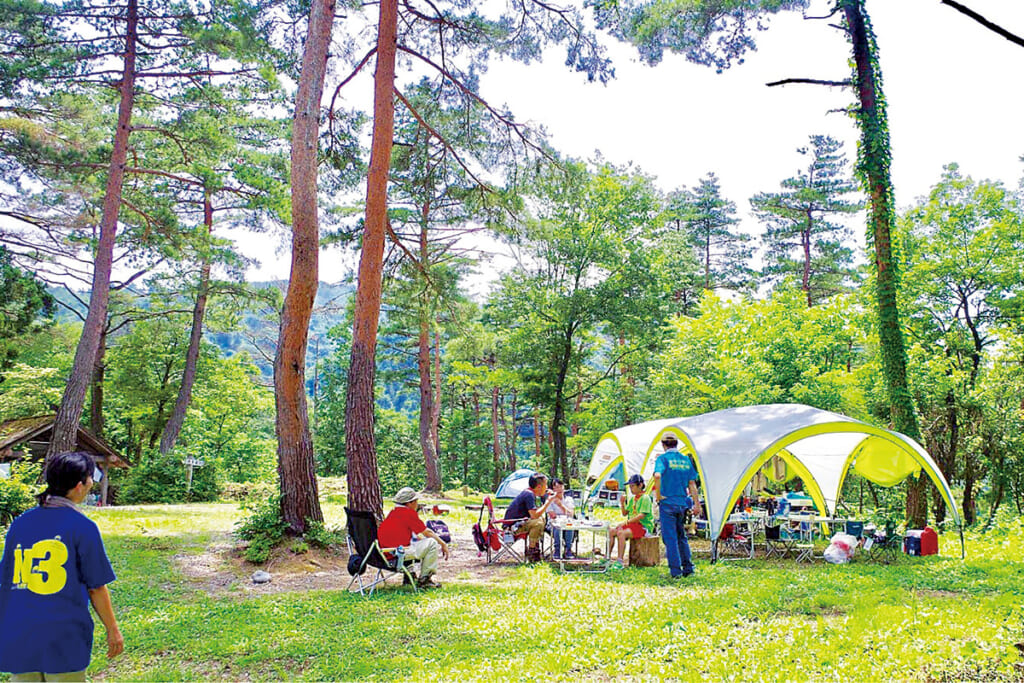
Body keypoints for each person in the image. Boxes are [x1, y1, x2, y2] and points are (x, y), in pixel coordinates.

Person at [0, 451, 124, 681]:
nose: (91, 484)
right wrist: (112, 629)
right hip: (62, 636)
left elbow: (7, 579)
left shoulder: (20, 524)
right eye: (90, 478)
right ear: (79, 485)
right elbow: (96, 587)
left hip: (19, 632)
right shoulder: (82, 527)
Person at [650, 434, 702, 579]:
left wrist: (659, 496)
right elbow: (692, 484)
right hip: (682, 503)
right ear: (676, 444)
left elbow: (657, 476)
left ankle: (675, 571)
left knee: (670, 537)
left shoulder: (662, 459)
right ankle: (688, 568)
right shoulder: (685, 459)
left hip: (667, 504)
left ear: (663, 445)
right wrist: (697, 504)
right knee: (681, 536)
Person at [377, 487, 450, 589]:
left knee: (417, 543)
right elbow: (427, 532)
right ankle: (425, 580)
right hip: (397, 554)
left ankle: (409, 576)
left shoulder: (393, 513)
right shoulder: (408, 513)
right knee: (432, 543)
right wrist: (443, 544)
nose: (417, 504)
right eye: (416, 501)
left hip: (384, 553)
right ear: (409, 503)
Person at [504, 473, 556, 562]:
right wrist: (548, 502)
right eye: (545, 485)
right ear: (539, 487)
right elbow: (534, 515)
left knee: (541, 519)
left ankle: (535, 547)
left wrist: (546, 497)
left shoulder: (530, 493)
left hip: (519, 522)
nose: (547, 487)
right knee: (538, 523)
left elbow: (535, 513)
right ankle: (532, 552)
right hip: (512, 526)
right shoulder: (529, 495)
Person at [607, 474, 655, 569]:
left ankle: (619, 561)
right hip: (633, 525)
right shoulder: (633, 498)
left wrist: (626, 523)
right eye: (630, 487)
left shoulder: (645, 498)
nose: (631, 489)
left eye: (632, 486)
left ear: (640, 485)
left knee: (621, 533)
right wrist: (622, 503)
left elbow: (641, 515)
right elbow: (625, 513)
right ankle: (607, 557)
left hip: (643, 526)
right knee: (612, 531)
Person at [546, 478, 575, 560]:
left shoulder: (568, 499)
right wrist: (565, 513)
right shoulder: (549, 500)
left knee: (569, 526)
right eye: (557, 487)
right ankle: (557, 550)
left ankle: (568, 549)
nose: (560, 489)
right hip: (553, 523)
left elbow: (571, 513)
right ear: (553, 489)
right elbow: (552, 515)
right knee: (558, 526)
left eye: (561, 487)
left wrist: (560, 505)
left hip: (566, 522)